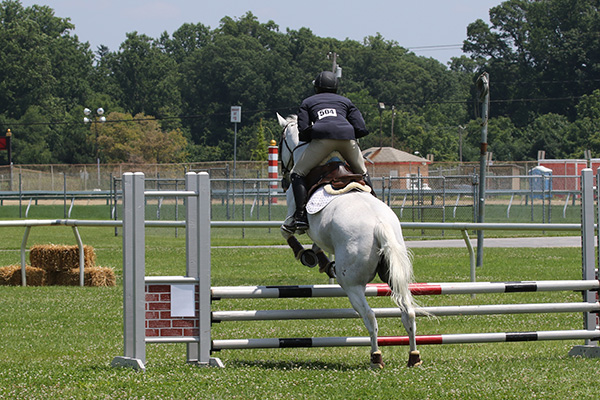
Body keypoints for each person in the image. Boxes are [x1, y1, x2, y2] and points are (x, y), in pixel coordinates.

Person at [284, 70, 374, 234]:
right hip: (348, 140)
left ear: (316, 87)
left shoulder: (308, 102)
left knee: (297, 173)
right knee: (363, 172)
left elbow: (303, 132)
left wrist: (319, 131)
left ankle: (300, 216)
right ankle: (376, 202)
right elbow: (361, 128)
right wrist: (346, 133)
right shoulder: (346, 101)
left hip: (323, 140)